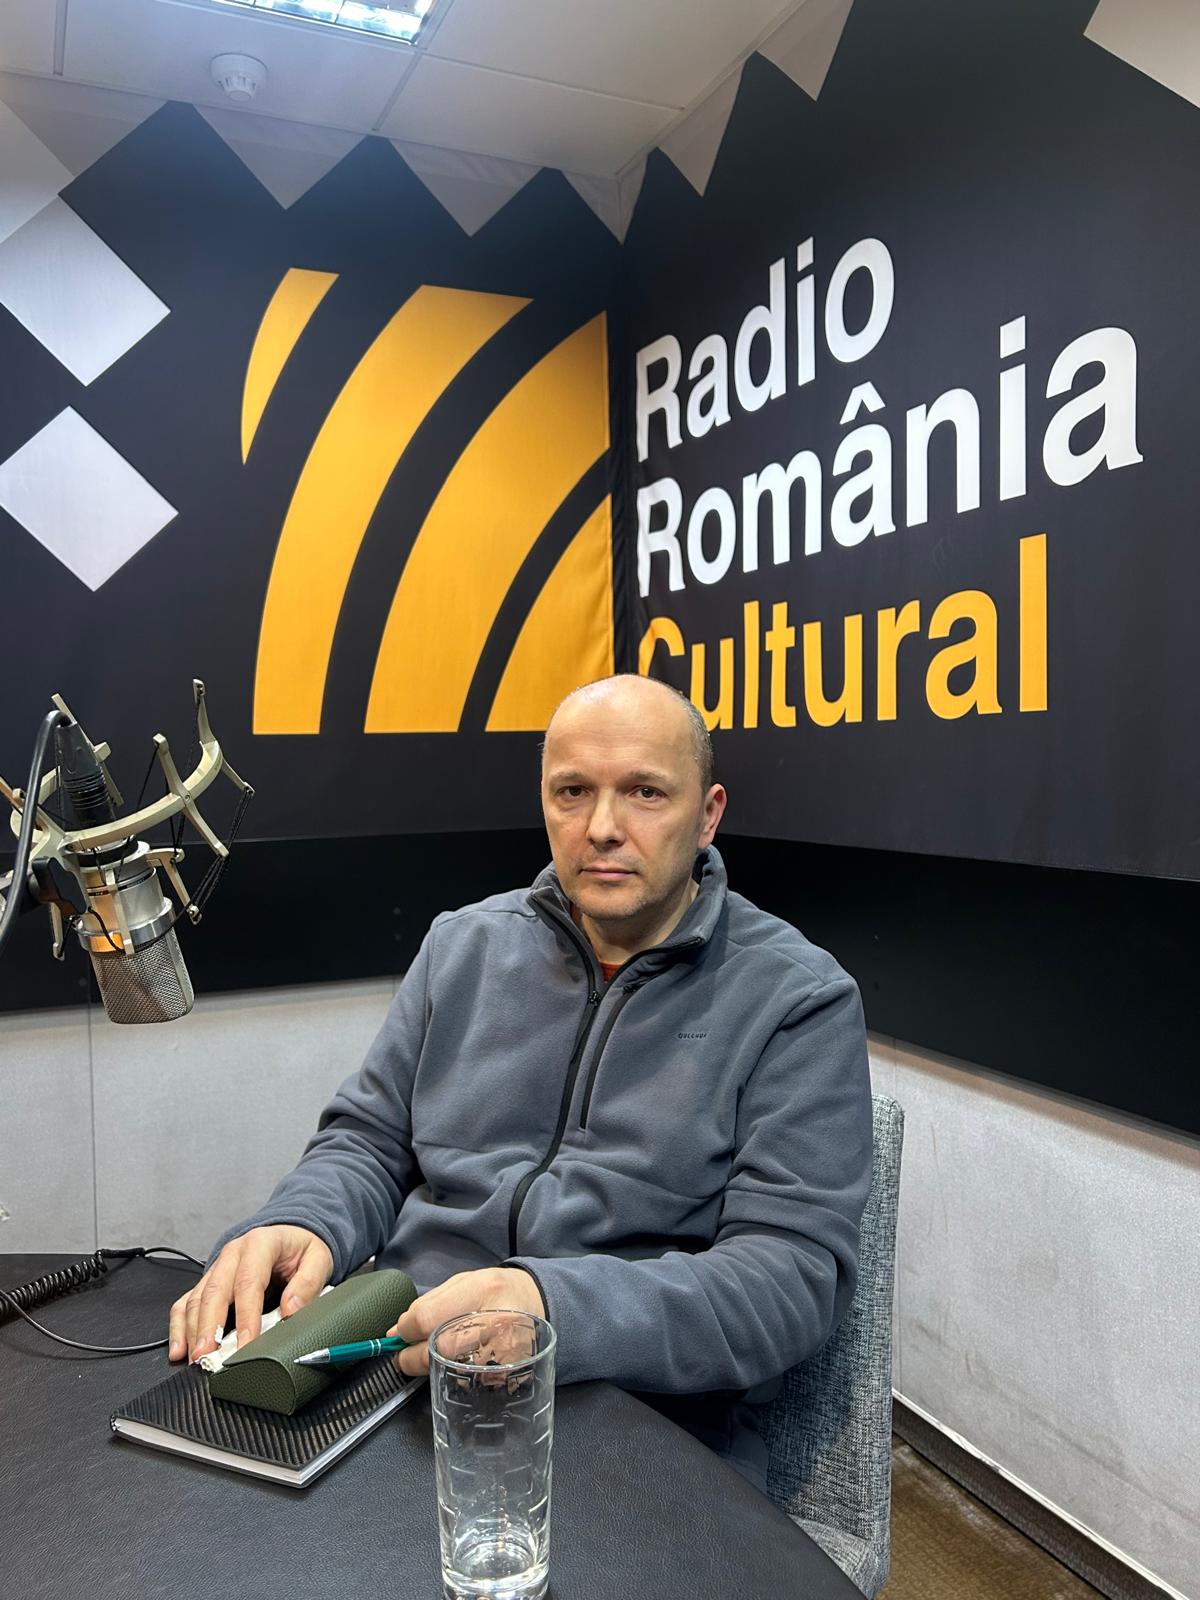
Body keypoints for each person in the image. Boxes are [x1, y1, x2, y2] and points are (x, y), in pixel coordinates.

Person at [169, 673, 872, 1490]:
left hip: (640, 1414)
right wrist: (305, 1221)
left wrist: (551, 1307)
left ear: (708, 815)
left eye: (645, 792)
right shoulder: (462, 946)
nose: (601, 828)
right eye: (573, 792)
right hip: (408, 1370)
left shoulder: (797, 998)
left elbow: (790, 1280)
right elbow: (368, 1142)